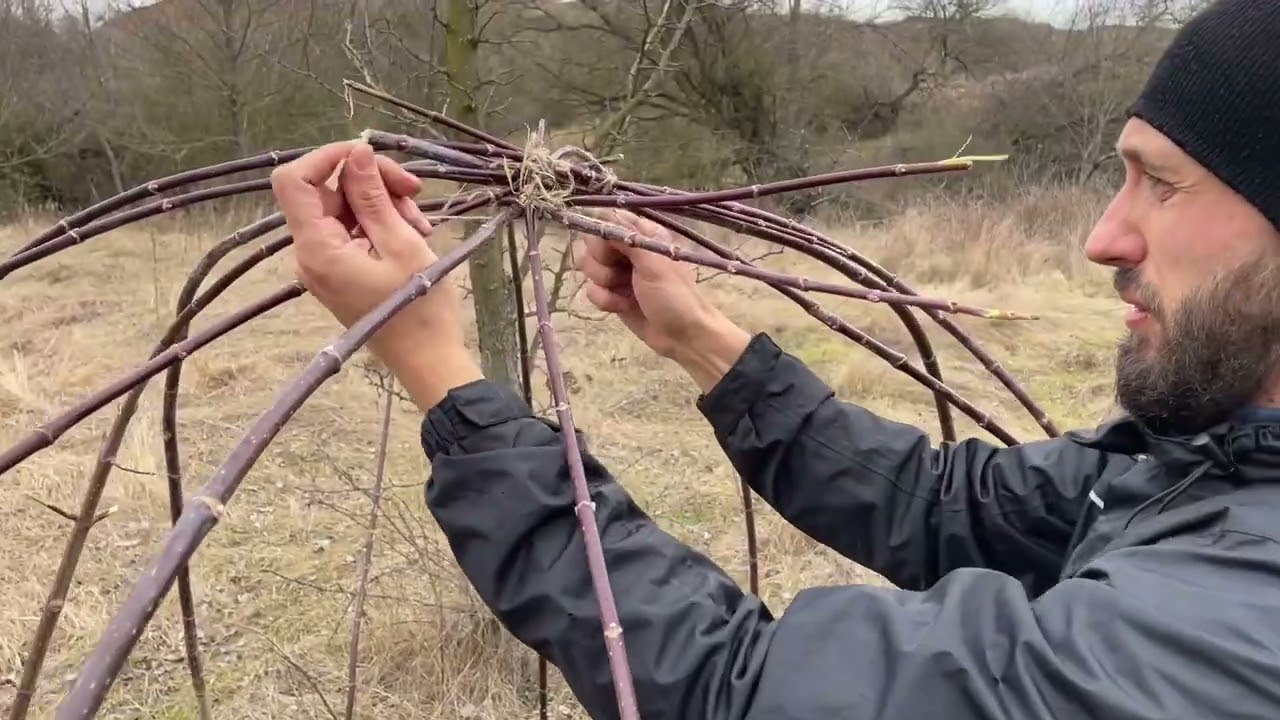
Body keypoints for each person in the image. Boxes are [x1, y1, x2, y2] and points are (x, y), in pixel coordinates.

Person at [268, 1, 1280, 717]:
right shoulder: (1216, 461)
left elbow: (746, 693)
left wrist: (443, 378)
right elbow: (947, 507)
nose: (1104, 237)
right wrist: (702, 340)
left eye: (1162, 184)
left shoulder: (1234, 628)